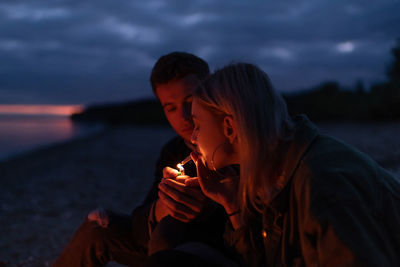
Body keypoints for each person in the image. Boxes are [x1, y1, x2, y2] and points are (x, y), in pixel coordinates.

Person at [172, 62, 399, 266]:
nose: (193, 138)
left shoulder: (322, 183)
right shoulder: (275, 173)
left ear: (230, 127)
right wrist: (231, 204)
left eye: (198, 125)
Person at [52, 52, 229, 267]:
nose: (183, 116)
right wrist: (162, 207)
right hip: (166, 245)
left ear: (210, 93)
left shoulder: (233, 142)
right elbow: (141, 226)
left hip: (214, 252)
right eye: (170, 107)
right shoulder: (174, 150)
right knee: (97, 229)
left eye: (190, 100)